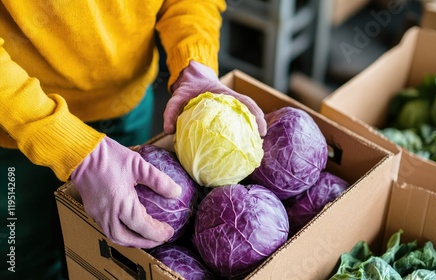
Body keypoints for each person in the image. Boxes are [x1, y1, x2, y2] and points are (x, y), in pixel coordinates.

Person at [0, 1, 266, 279]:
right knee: (22, 256)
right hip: (16, 125)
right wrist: (72, 147)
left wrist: (193, 60)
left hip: (127, 103)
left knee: (112, 250)